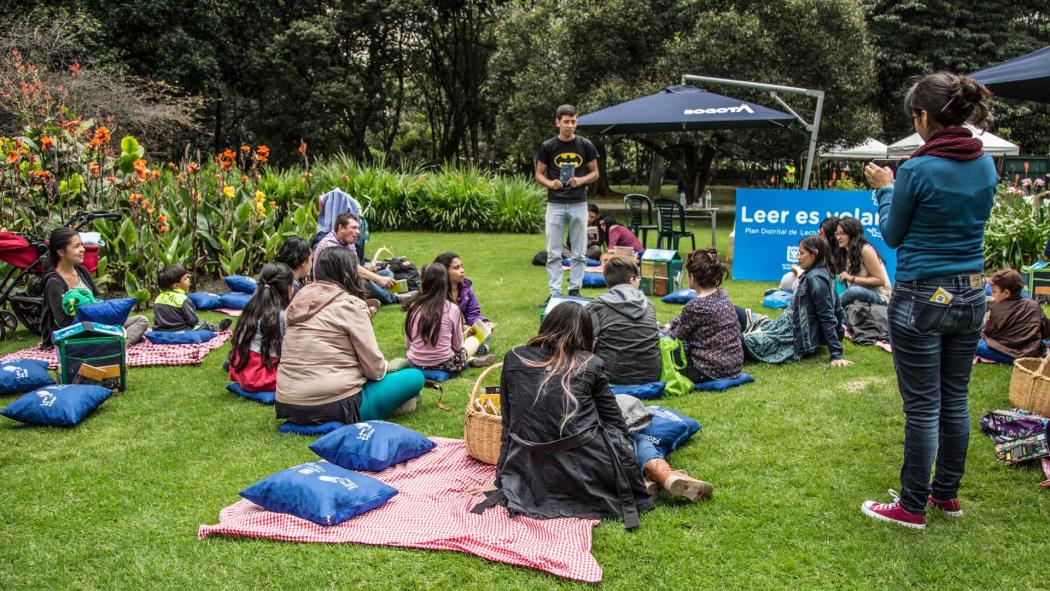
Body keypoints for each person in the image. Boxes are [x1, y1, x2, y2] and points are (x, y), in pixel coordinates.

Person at [860, 72, 997, 529]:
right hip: (973, 292)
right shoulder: (985, 165)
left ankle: (911, 506)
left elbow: (894, 234)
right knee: (955, 399)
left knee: (922, 406)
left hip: (923, 294)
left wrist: (885, 188)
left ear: (923, 116)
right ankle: (946, 496)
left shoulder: (917, 169)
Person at [471, 303, 710, 531]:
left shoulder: (513, 357)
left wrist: (502, 477)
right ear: (586, 335)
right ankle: (662, 472)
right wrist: (626, 473)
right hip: (583, 468)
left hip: (527, 467)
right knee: (637, 432)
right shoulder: (591, 364)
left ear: (547, 326)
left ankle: (655, 474)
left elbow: (509, 425)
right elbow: (616, 424)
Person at [275, 248, 425, 425]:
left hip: (288, 403)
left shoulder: (298, 301)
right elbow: (374, 370)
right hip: (335, 404)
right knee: (415, 377)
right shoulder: (350, 305)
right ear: (348, 272)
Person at [743, 235, 851, 366]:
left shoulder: (816, 279)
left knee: (736, 340)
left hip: (790, 338)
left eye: (801, 253)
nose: (798, 258)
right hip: (780, 327)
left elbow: (827, 316)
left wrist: (836, 354)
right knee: (738, 313)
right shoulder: (821, 273)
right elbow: (838, 310)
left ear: (815, 253)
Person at [39, 228, 149, 348]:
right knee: (106, 331)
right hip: (76, 332)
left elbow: (98, 297)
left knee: (141, 320)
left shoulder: (81, 271)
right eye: (76, 246)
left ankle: (120, 343)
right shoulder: (54, 282)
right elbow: (64, 323)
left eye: (81, 244)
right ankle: (114, 342)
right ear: (61, 252)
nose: (83, 249)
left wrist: (104, 315)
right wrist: (90, 316)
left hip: (98, 325)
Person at [535, 104, 599, 298]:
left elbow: (595, 173)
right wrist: (550, 183)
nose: (570, 125)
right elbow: (539, 174)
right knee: (554, 252)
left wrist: (581, 180)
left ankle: (574, 290)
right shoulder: (548, 146)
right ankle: (555, 293)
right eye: (566, 122)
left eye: (573, 121)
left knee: (579, 251)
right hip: (555, 204)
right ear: (558, 122)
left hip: (579, 203)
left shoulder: (585, 144)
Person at [666, 249, 744, 382]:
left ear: (692, 277)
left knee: (665, 344)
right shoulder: (723, 294)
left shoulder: (695, 306)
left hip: (709, 370)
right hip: (734, 365)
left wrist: (663, 329)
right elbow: (684, 319)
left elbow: (676, 337)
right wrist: (671, 323)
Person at [404, 263, 494, 372]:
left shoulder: (414, 307)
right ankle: (470, 359)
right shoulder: (452, 308)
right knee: (473, 339)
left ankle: (471, 360)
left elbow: (408, 344)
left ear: (423, 284)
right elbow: (456, 346)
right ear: (446, 284)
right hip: (445, 364)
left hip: (414, 362)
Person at [588, 258, 661, 385]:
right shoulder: (648, 304)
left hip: (611, 376)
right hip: (651, 375)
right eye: (638, 278)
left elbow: (583, 340)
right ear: (631, 280)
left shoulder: (596, 305)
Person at [228, 263, 294, 392]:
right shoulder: (280, 316)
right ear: (288, 288)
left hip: (242, 371)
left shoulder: (250, 307)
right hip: (262, 377)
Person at [312, 213, 397, 305]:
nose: (357, 232)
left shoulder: (349, 242)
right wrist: (379, 279)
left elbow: (355, 265)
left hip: (348, 278)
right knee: (364, 279)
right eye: (353, 228)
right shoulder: (330, 245)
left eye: (358, 228)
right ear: (341, 228)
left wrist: (369, 270)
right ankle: (392, 298)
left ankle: (373, 294)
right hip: (333, 286)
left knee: (387, 273)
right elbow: (354, 270)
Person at [976, 269, 1049, 364]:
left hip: (1009, 353)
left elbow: (988, 333)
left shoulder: (997, 308)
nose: (993, 295)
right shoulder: (1034, 305)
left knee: (974, 345)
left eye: (994, 292)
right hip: (1032, 352)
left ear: (1006, 293)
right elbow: (1045, 329)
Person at [433, 252, 495, 358]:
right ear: (443, 272)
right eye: (456, 268)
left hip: (457, 334)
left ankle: (466, 350)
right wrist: (460, 327)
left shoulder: (465, 289)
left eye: (462, 266)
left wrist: (484, 324)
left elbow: (473, 315)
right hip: (438, 333)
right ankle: (469, 353)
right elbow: (434, 322)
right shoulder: (434, 292)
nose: (462, 270)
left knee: (486, 332)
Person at [152, 264, 232, 333]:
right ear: (176, 285)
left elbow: (157, 319)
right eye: (185, 279)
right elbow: (193, 320)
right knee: (201, 325)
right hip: (181, 330)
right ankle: (216, 328)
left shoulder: (158, 298)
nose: (189, 280)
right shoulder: (182, 299)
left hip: (161, 330)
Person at [835, 217, 892, 307]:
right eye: (836, 234)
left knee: (854, 291)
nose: (838, 237)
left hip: (881, 296)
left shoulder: (865, 249)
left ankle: (829, 309)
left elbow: (880, 280)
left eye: (842, 234)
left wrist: (851, 278)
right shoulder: (846, 252)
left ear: (852, 233)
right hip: (860, 296)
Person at [780, 216, 840, 293]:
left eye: (821, 234)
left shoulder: (840, 252)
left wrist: (801, 272)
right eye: (819, 233)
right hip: (815, 281)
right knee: (788, 277)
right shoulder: (821, 248)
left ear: (831, 236)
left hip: (829, 287)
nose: (818, 236)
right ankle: (782, 293)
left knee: (799, 283)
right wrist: (799, 270)